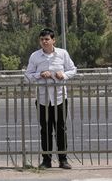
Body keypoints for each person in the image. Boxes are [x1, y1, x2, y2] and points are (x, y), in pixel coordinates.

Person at [24, 28, 77, 169]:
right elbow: (27, 75)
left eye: (47, 39)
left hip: (60, 97)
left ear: (53, 40)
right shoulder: (35, 56)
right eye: (42, 39)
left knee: (61, 129)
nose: (44, 42)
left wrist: (63, 75)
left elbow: (73, 69)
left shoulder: (62, 54)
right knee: (45, 130)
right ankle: (46, 160)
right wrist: (40, 75)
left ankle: (63, 159)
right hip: (43, 99)